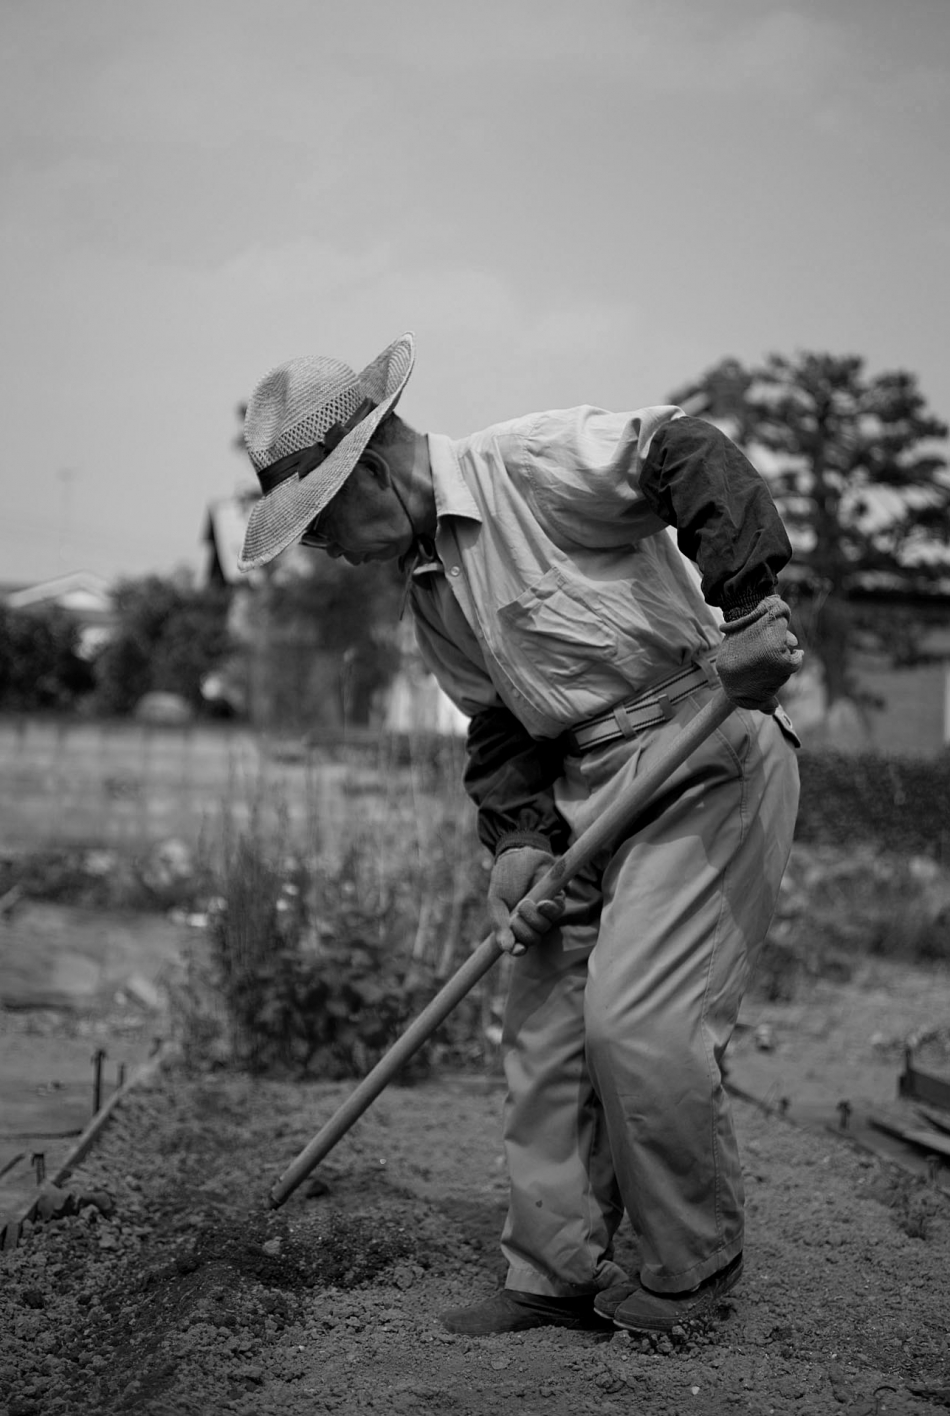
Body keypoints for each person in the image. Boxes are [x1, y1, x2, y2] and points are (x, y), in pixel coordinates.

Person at [238, 331, 802, 1338]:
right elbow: (498, 727)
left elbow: (685, 448)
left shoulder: (526, 464)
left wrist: (749, 601)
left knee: (636, 1025)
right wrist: (517, 843)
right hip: (580, 784)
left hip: (699, 748)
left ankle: (686, 1273)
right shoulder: (428, 591)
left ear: (369, 471)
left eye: (318, 520)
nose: (321, 546)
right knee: (539, 1027)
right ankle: (553, 1274)